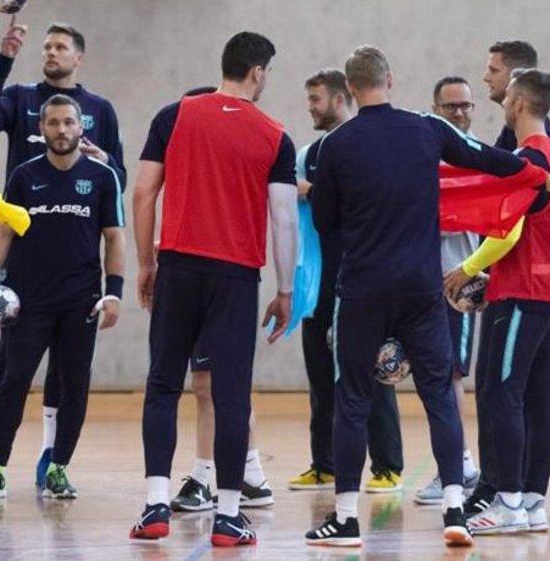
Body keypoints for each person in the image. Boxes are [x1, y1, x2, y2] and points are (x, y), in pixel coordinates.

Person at [303, 46, 550, 548]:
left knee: (352, 397)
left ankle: (346, 518)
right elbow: (493, 160)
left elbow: (326, 221)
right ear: (390, 79)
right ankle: (456, 509)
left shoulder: (336, 145)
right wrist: (549, 182)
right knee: (440, 392)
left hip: (364, 288)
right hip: (421, 286)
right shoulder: (426, 129)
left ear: (350, 88)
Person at [129, 32, 298, 548]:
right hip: (235, 278)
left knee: (163, 384)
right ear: (258, 72)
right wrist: (285, 289)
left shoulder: (174, 116)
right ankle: (228, 516)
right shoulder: (275, 135)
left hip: (178, 266)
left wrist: (145, 262)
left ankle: (156, 506)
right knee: (229, 395)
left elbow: (141, 192)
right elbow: (284, 219)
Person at [0, 21, 126, 491]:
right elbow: (3, 229)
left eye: (68, 122)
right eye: (52, 122)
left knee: (72, 381)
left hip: (80, 293)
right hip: (26, 288)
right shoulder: (21, 151)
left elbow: (115, 230)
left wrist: (113, 293)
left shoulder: (101, 161)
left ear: (82, 126)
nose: (60, 128)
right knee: (12, 377)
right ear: (41, 128)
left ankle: (56, 465)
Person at [443, 69, 550, 535]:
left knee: (501, 391)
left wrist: (467, 268)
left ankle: (506, 501)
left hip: (525, 292)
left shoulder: (529, 159)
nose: (501, 101)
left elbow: (510, 230)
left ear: (521, 103)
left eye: (506, 96)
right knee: (538, 397)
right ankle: (531, 500)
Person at [288, 70, 404, 495]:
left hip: (363, 280)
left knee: (371, 374)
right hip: (319, 281)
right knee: (320, 375)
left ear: (342, 98)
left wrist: (311, 191)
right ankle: (325, 463)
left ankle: (388, 466)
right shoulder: (308, 153)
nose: (310, 108)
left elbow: (362, 200)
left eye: (316, 99)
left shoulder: (368, 144)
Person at [164, 86, 277, 513]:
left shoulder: (239, 150)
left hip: (222, 281)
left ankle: (210, 474)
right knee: (215, 385)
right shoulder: (193, 163)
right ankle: (250, 474)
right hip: (203, 279)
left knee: (213, 385)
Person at [413, 76, 483, 505]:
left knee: (450, 375)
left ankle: (458, 467)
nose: (459, 113)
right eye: (450, 106)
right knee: (434, 377)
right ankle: (459, 463)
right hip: (421, 283)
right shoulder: (425, 154)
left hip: (459, 283)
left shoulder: (478, 158)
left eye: (465, 106)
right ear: (435, 108)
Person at [482, 40, 550, 151]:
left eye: (494, 70)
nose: (486, 78)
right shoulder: (513, 127)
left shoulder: (534, 136)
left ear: (515, 76)